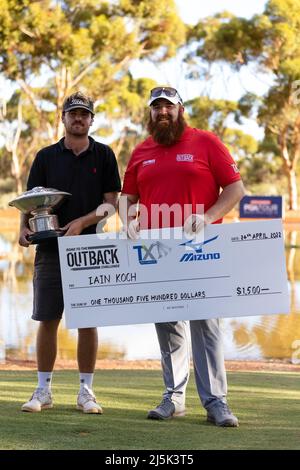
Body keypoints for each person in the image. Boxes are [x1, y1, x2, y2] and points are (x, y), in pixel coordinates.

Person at [121, 86, 245, 427]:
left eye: (168, 107)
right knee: (168, 323)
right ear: (150, 113)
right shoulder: (141, 151)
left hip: (201, 248)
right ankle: (173, 398)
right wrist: (129, 221)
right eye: (156, 107)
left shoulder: (206, 142)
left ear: (181, 109)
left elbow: (235, 188)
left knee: (206, 325)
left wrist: (207, 216)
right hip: (157, 250)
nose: (162, 112)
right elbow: (128, 198)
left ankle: (216, 402)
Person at [19, 91, 121, 413]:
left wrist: (82, 222)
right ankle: (43, 391)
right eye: (72, 114)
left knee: (88, 321)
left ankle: (86, 392)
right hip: (49, 248)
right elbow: (30, 199)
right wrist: (22, 228)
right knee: (47, 318)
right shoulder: (45, 157)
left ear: (91, 120)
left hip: (90, 249)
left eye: (84, 114)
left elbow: (112, 204)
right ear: (62, 119)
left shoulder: (104, 155)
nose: (78, 119)